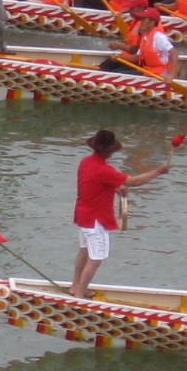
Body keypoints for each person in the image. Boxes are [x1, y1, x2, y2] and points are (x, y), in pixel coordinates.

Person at [70, 128, 170, 298]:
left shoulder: (86, 161)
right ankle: (79, 296)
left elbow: (93, 181)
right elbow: (133, 181)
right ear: (109, 150)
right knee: (96, 259)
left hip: (83, 214)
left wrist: (115, 187)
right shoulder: (104, 169)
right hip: (96, 219)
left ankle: (75, 286)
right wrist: (158, 172)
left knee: (84, 251)